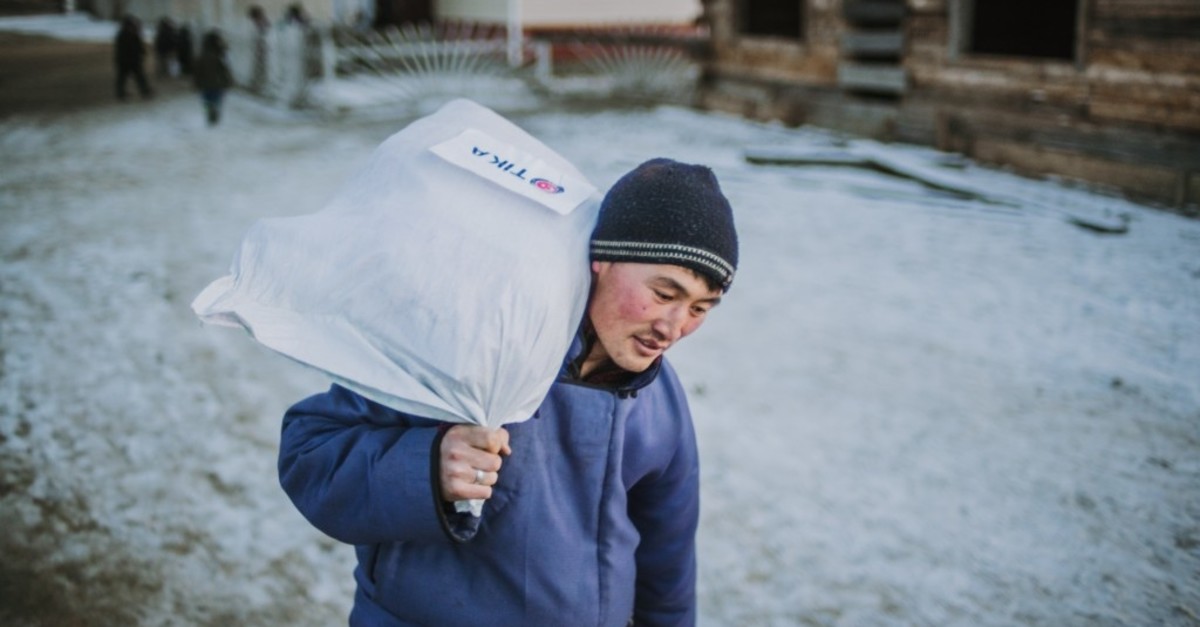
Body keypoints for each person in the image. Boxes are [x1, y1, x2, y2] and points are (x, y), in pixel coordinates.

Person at [278, 158, 739, 626]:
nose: (673, 328)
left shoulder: (661, 399)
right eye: (664, 294)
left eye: (700, 308)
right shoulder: (472, 339)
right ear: (604, 260)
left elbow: (668, 560)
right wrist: (426, 467)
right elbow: (310, 453)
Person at [193, 30, 234, 126]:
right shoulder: (220, 54)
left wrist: (196, 82)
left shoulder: (202, 55)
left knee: (207, 101)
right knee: (217, 100)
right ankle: (214, 113)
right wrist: (228, 80)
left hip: (205, 84)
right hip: (218, 83)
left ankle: (209, 114)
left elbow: (197, 71)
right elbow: (225, 69)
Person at [114, 14, 152, 100]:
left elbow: (138, 46)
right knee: (124, 78)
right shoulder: (124, 35)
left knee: (137, 76)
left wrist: (142, 52)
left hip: (131, 60)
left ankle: (144, 91)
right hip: (127, 61)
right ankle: (121, 93)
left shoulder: (131, 34)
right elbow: (129, 48)